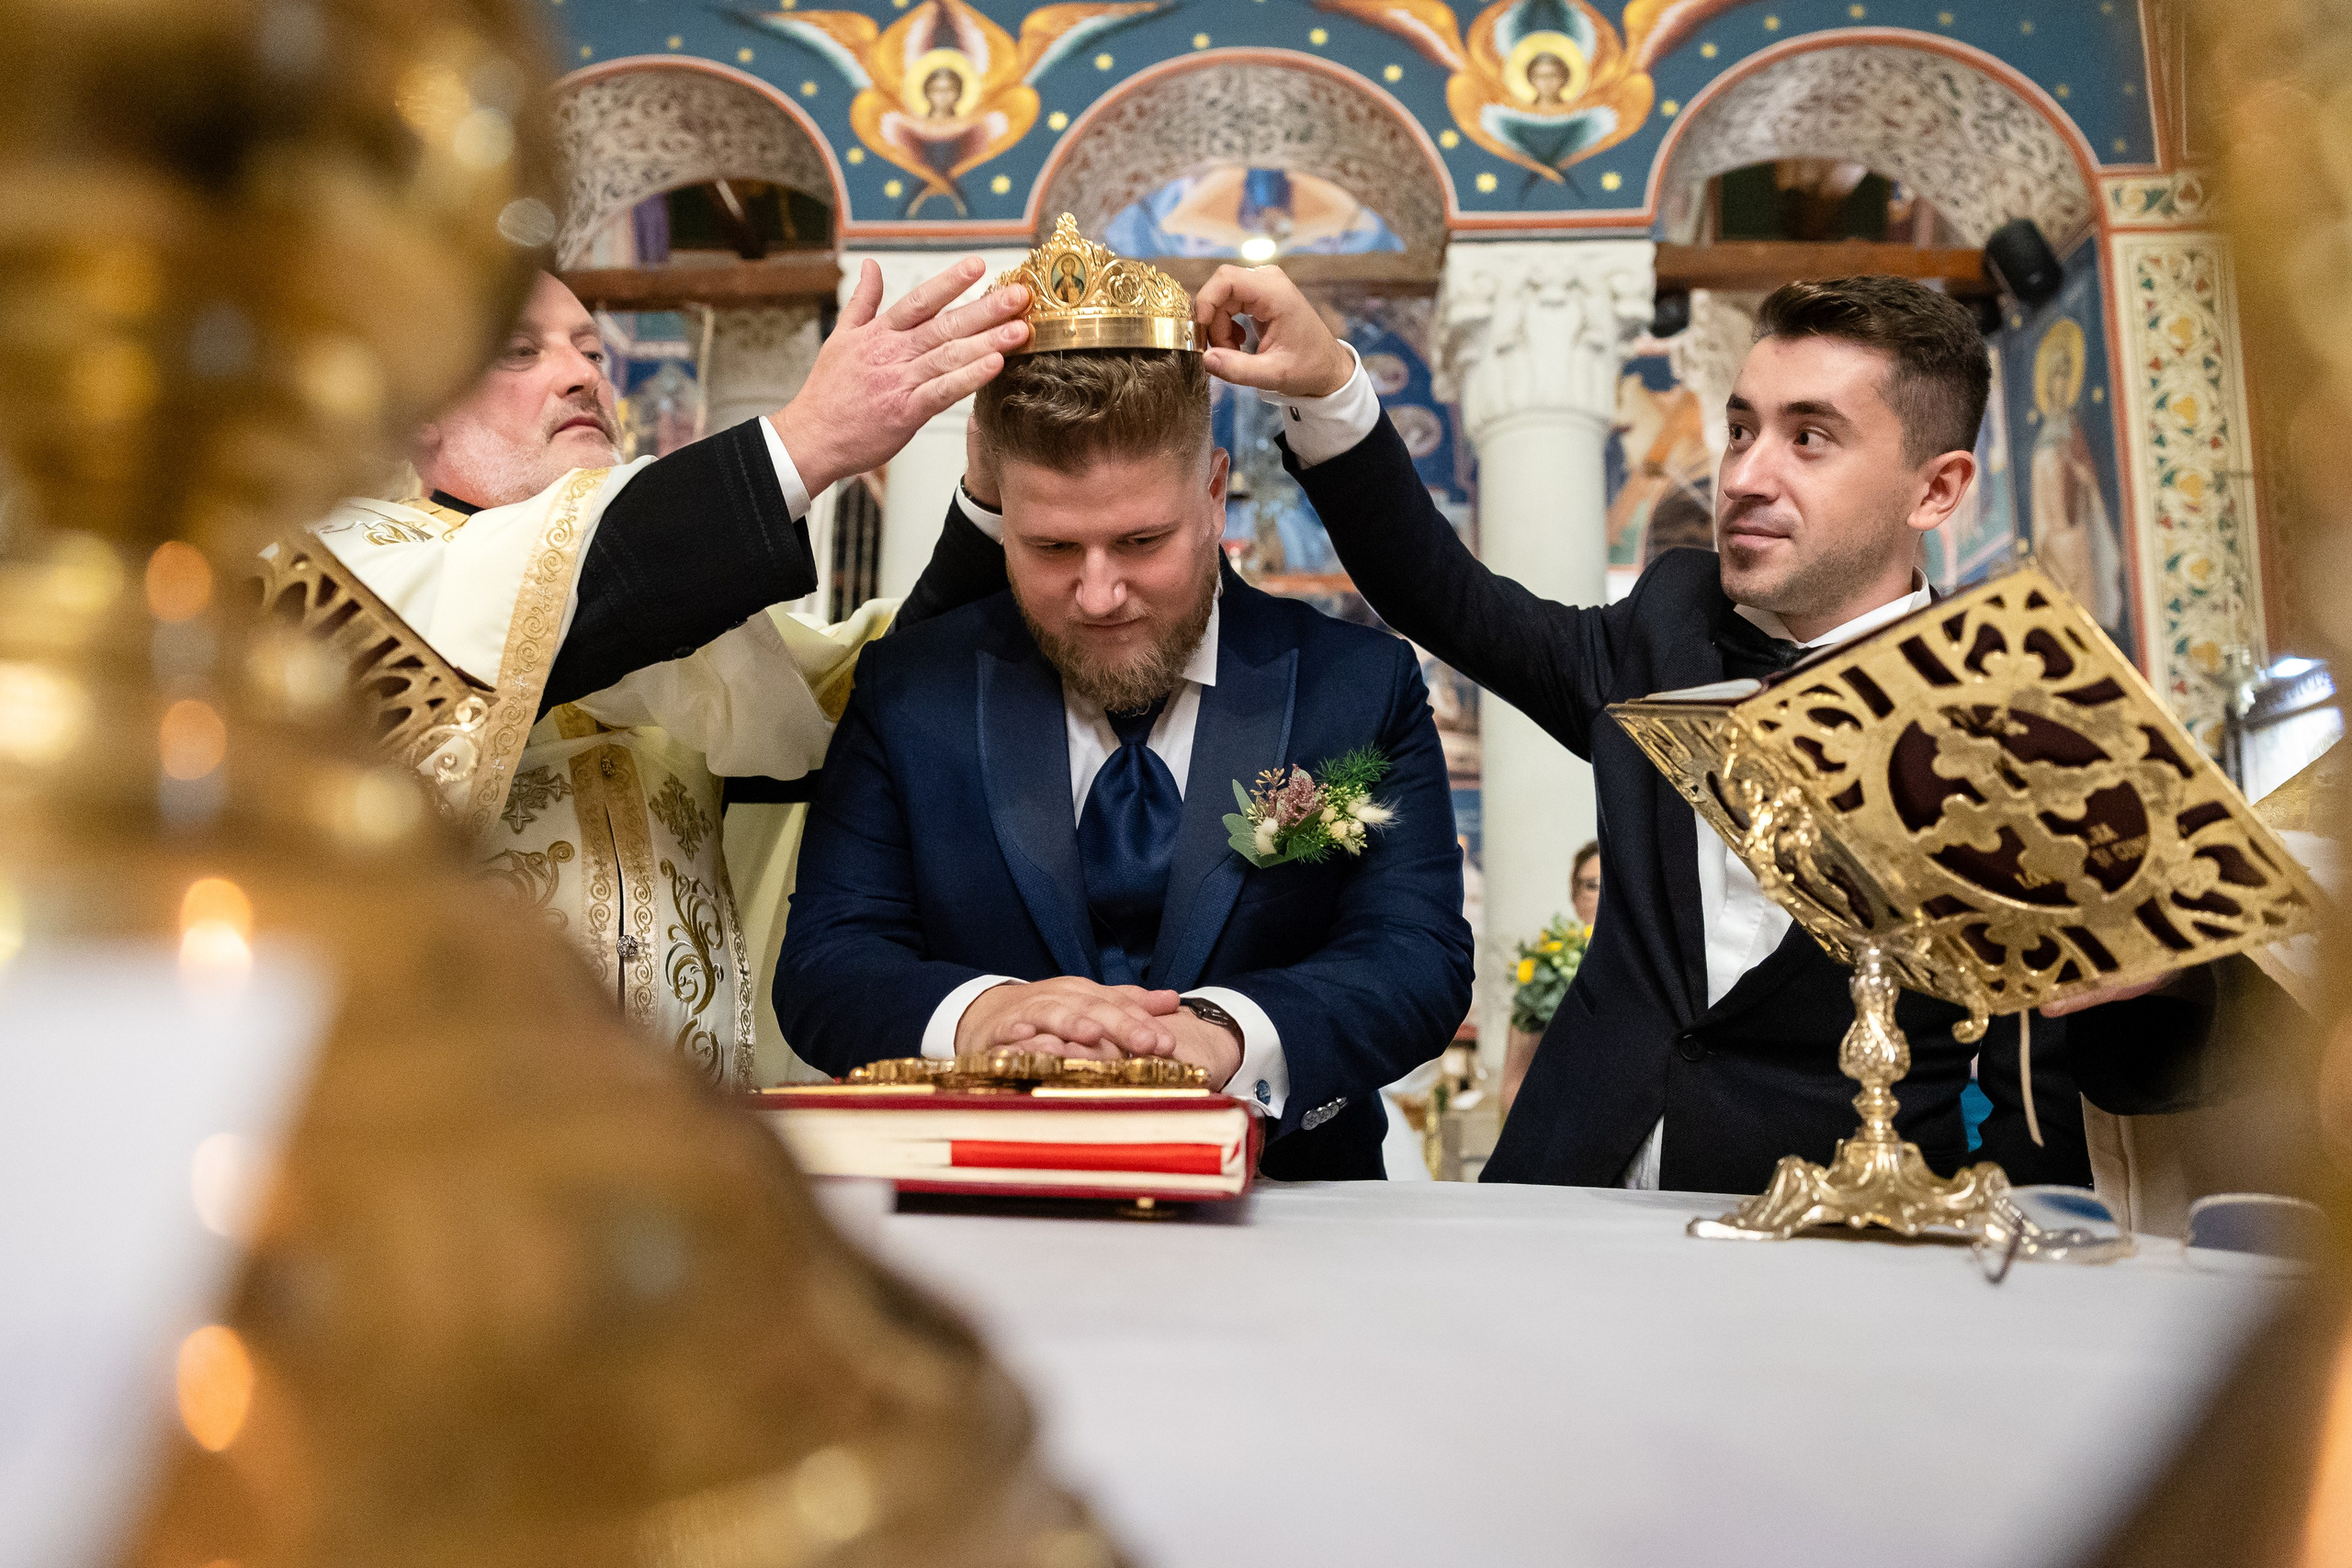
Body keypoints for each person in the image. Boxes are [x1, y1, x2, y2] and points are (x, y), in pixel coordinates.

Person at [1194, 265, 2214, 1192]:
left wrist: (2165, 969)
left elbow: (2131, 1058)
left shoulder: (2022, 724)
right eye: (1739, 429)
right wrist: (1327, 386)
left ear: (1936, 489)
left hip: (1828, 1235)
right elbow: (1444, 595)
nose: (1742, 476)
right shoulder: (1667, 626)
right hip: (1567, 1200)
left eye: (1808, 438)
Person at [775, 323, 1475, 1179]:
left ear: (1214, 494)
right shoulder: (912, 689)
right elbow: (827, 963)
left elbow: (1416, 957)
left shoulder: (1355, 685)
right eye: (1052, 547)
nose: (1099, 594)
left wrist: (1226, 1034)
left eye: (1142, 542)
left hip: (1289, 1206)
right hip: (980, 1203)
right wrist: (981, 1016)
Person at [312, 261, 1029, 1086]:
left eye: (592, 351)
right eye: (518, 351)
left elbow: (878, 700)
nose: (583, 374)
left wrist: (989, 500)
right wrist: (802, 442)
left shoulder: (683, 632)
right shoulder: (347, 575)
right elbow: (584, 593)